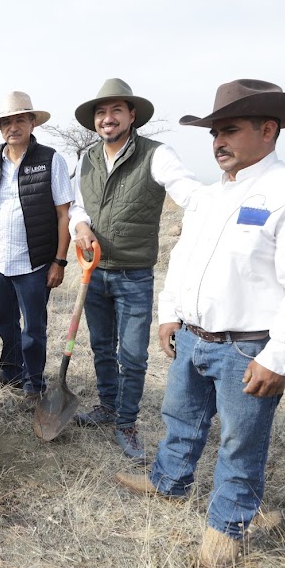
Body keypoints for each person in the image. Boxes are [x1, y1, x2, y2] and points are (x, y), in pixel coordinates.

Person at [114, 79, 285, 568]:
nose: (219, 141)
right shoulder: (209, 198)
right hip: (193, 338)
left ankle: (226, 530)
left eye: (230, 130)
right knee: (179, 419)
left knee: (241, 444)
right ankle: (168, 482)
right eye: (214, 131)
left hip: (249, 347)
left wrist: (277, 357)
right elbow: (182, 261)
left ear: (268, 129)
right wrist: (169, 314)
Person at [68, 78, 200, 461]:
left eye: (115, 111)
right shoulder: (87, 159)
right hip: (94, 272)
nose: (107, 119)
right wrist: (79, 226)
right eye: (101, 113)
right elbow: (79, 205)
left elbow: (187, 189)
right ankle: (107, 406)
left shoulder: (156, 155)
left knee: (133, 355)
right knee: (101, 347)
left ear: (132, 115)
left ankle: (126, 421)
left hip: (134, 274)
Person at [0, 91, 73, 397]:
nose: (13, 127)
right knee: (5, 324)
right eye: (7, 121)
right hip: (1, 262)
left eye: (20, 119)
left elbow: (63, 214)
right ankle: (11, 373)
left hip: (34, 263)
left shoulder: (50, 160)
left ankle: (35, 383)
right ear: (1, 128)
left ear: (32, 122)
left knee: (33, 329)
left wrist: (59, 261)